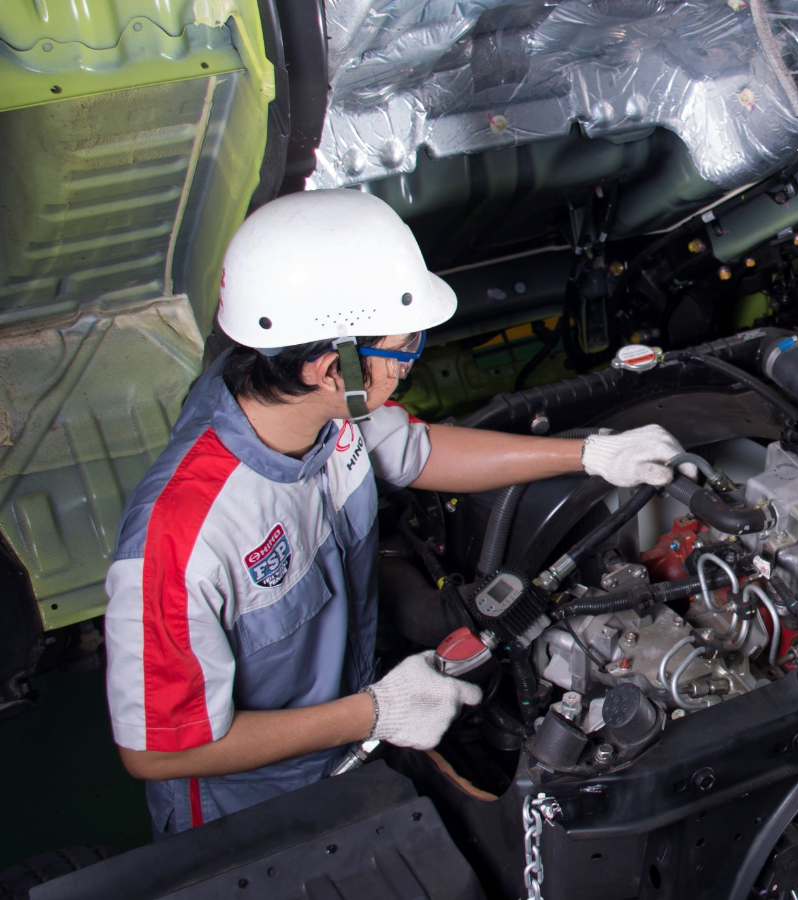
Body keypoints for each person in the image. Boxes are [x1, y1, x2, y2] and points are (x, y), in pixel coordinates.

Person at [104, 190, 690, 835]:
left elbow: (415, 449)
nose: (411, 368)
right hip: (254, 811)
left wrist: (589, 454)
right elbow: (158, 750)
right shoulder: (182, 541)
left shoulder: (305, 405)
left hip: (348, 738)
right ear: (331, 367)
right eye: (406, 349)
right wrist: (375, 712)